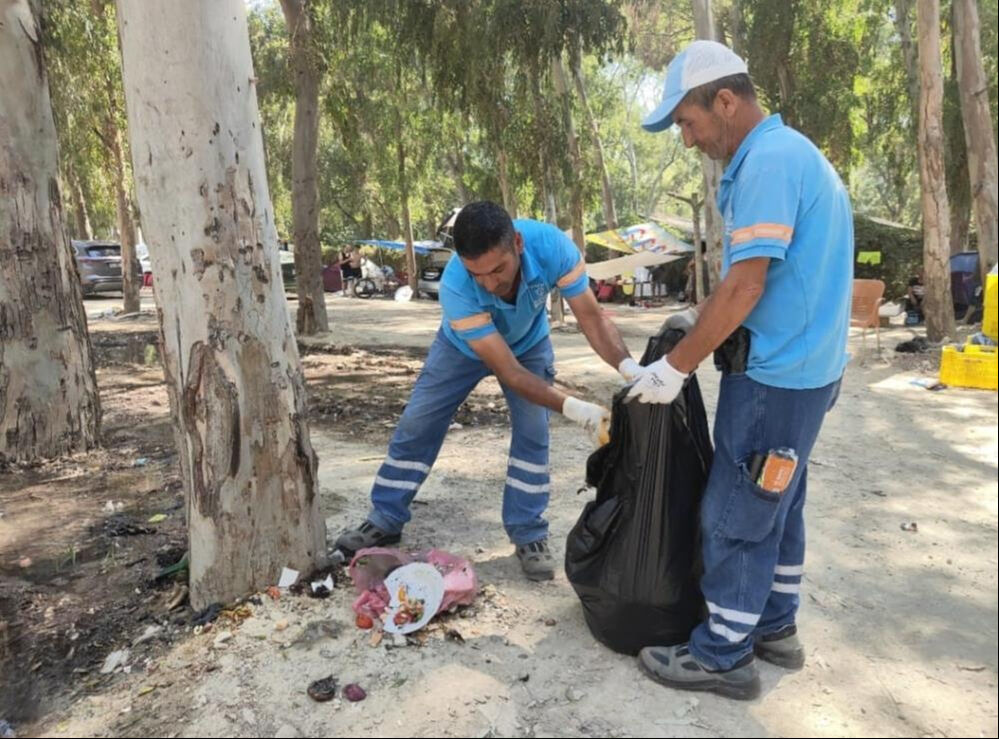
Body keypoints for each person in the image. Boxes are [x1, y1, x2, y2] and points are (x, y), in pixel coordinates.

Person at [628, 40, 853, 699]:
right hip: (808, 372)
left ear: (724, 101)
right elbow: (755, 280)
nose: (686, 137)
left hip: (775, 376)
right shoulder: (789, 154)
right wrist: (696, 321)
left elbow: (747, 285)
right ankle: (773, 626)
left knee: (735, 509)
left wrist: (674, 365)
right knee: (777, 500)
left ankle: (722, 651)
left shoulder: (767, 162)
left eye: (687, 122)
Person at [335, 201, 645, 581]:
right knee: (418, 423)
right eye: (477, 274)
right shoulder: (456, 287)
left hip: (529, 344)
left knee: (533, 434)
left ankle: (528, 532)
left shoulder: (552, 247)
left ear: (517, 243)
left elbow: (593, 319)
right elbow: (510, 374)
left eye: (498, 269)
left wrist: (630, 369)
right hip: (461, 348)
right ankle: (385, 517)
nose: (491, 284)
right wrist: (577, 409)